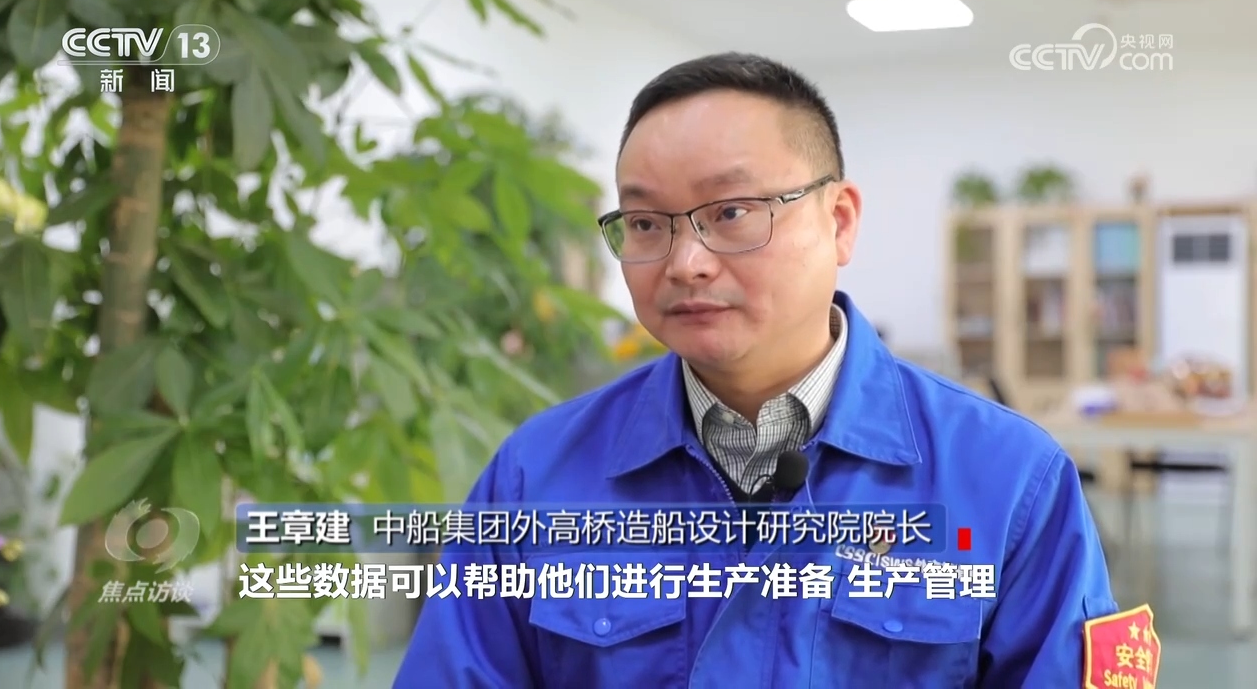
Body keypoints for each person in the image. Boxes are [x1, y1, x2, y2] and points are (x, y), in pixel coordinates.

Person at [394, 53, 1142, 688]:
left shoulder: (1008, 479)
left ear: (839, 221)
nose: (686, 263)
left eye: (731, 212)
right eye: (647, 224)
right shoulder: (535, 476)